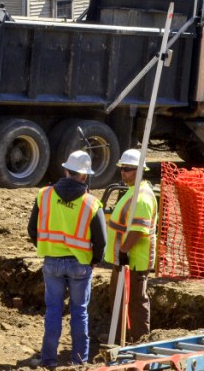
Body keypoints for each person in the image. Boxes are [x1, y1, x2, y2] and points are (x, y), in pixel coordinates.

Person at [26, 150, 106, 369]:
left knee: (53, 311)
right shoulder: (91, 203)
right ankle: (79, 362)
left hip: (52, 262)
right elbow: (101, 241)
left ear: (65, 170)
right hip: (80, 264)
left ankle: (48, 359)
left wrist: (47, 247)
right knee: (79, 312)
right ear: (84, 176)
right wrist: (94, 260)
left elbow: (32, 229)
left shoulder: (44, 195)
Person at [104, 149, 158, 344]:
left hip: (134, 260)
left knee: (135, 301)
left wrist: (124, 251)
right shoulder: (132, 192)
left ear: (139, 171)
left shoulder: (141, 197)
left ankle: (141, 340)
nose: (123, 172)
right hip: (124, 258)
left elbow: (138, 230)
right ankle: (119, 337)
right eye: (122, 169)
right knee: (118, 299)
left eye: (127, 169)